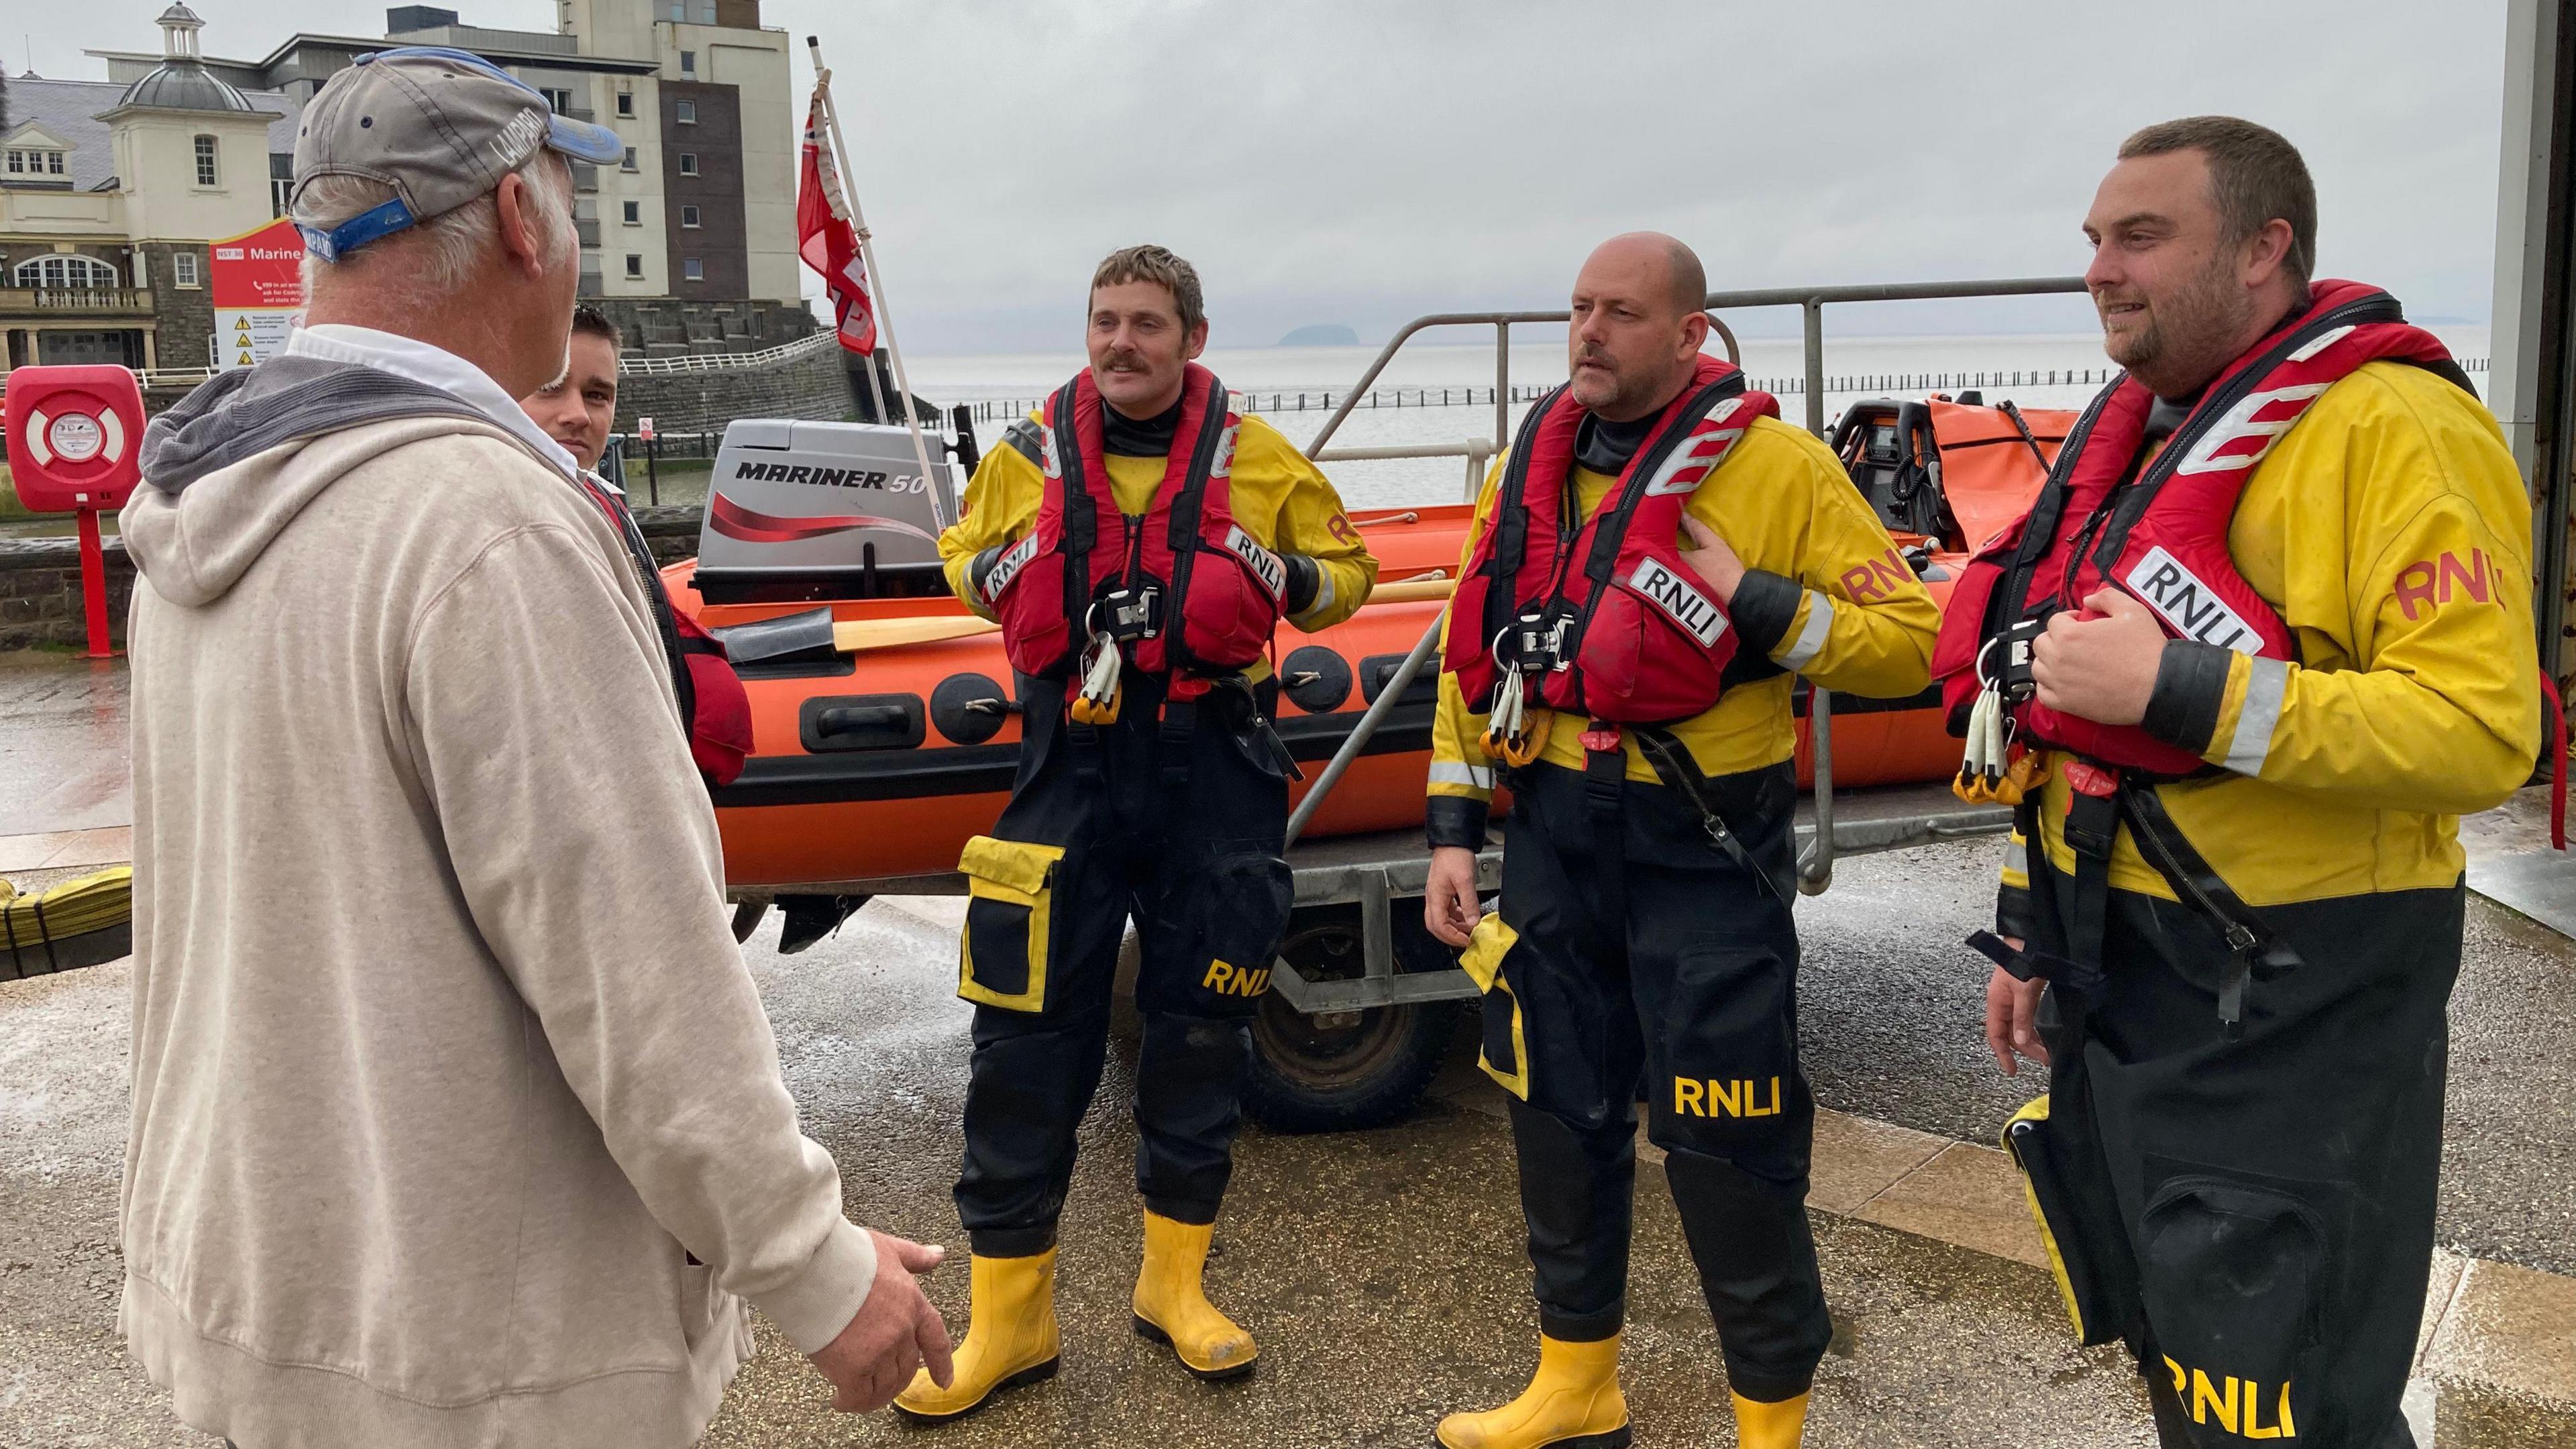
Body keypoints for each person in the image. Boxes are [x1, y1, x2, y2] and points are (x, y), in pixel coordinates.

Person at [117, 48, 947, 1449]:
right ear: (520, 216)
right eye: (566, 190)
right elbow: (639, 969)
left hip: (261, 1307)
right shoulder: (487, 528)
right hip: (474, 1369)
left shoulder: (200, 505)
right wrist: (812, 1266)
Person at [1942, 117, 2535, 1448]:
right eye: (2094, 239)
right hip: (2129, 973)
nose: (2100, 266)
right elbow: (2063, 727)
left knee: (2286, 1399)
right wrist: (2035, 925)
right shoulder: (2138, 433)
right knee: (2190, 1357)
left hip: (2296, 996)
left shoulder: (2395, 430)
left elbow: (2484, 730)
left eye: (2140, 235)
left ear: (2266, 249)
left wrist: (2182, 692)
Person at [1421, 233, 1940, 1449]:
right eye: (1578, 309)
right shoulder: (1526, 471)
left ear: (1690, 335)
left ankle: (1770, 1417)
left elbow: (1913, 643)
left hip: (1705, 848)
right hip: (1553, 844)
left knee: (1729, 1140)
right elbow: (1471, 653)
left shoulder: (1779, 470)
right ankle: (1575, 1378)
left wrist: (1761, 603)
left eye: (1622, 313)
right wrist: (1454, 832)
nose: (1589, 332)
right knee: (1554, 1112)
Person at [899, 244, 1377, 1422]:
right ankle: (1013, 1316)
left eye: (1148, 323)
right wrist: (1008, 569)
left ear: (1192, 339)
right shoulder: (1024, 458)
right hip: (1067, 765)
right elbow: (965, 559)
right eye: (1106, 320)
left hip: (1209, 766)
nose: (1122, 342)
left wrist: (1271, 571)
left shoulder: (1259, 461)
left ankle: (1177, 1287)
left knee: (1200, 1033)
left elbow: (1350, 578)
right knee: (1023, 1041)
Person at [523, 304, 753, 788]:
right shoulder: (508, 519)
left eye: (597, 395)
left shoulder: (601, 499)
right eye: (550, 387)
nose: (577, 415)